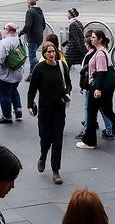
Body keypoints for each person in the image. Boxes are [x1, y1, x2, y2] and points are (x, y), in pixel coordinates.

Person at [76, 30, 115, 150]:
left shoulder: (100, 53)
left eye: (93, 37)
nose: (91, 39)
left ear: (100, 39)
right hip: (105, 87)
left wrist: (97, 89)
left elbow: (101, 72)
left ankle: (90, 141)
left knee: (92, 113)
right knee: (108, 112)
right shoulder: (102, 51)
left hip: (99, 87)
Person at [26, 41, 71, 185]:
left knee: (58, 140)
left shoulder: (61, 66)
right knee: (45, 137)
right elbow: (32, 89)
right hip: (45, 108)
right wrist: (29, 104)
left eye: (53, 52)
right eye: (49, 52)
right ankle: (43, 155)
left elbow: (68, 83)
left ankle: (56, 170)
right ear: (44, 54)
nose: (52, 54)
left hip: (59, 107)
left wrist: (67, 92)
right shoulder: (39, 69)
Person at [0, 24, 25, 124]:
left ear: (8, 30)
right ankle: (18, 110)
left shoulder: (4, 43)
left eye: (4, 28)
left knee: (4, 94)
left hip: (6, 74)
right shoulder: (20, 41)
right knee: (14, 89)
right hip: (18, 73)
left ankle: (7, 116)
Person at [20, 0, 46, 76]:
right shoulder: (39, 11)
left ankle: (34, 73)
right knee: (33, 54)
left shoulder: (30, 12)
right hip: (39, 36)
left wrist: (20, 33)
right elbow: (44, 24)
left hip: (33, 37)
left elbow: (28, 25)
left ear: (29, 3)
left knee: (32, 56)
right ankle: (32, 73)